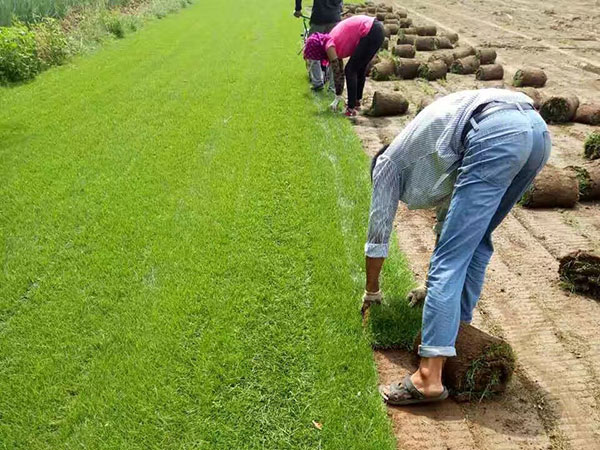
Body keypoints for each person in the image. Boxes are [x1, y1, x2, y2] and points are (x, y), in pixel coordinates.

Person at [363, 88, 551, 405]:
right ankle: (458, 331)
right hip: (535, 131)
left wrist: (372, 290)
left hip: (495, 131)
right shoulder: (429, 157)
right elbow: (448, 223)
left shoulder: (386, 164)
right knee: (475, 244)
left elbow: (378, 233)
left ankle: (428, 378)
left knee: (449, 261)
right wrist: (431, 288)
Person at [303, 15, 384, 116]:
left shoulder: (329, 46)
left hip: (370, 31)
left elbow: (338, 73)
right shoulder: (330, 39)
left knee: (350, 70)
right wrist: (338, 94)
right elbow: (339, 71)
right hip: (375, 29)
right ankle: (356, 102)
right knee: (359, 68)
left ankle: (350, 109)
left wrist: (337, 98)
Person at [294, 0, 343, 90]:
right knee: (334, 53)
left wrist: (298, 9)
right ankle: (333, 85)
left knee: (312, 50)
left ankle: (317, 82)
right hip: (335, 19)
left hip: (319, 18)